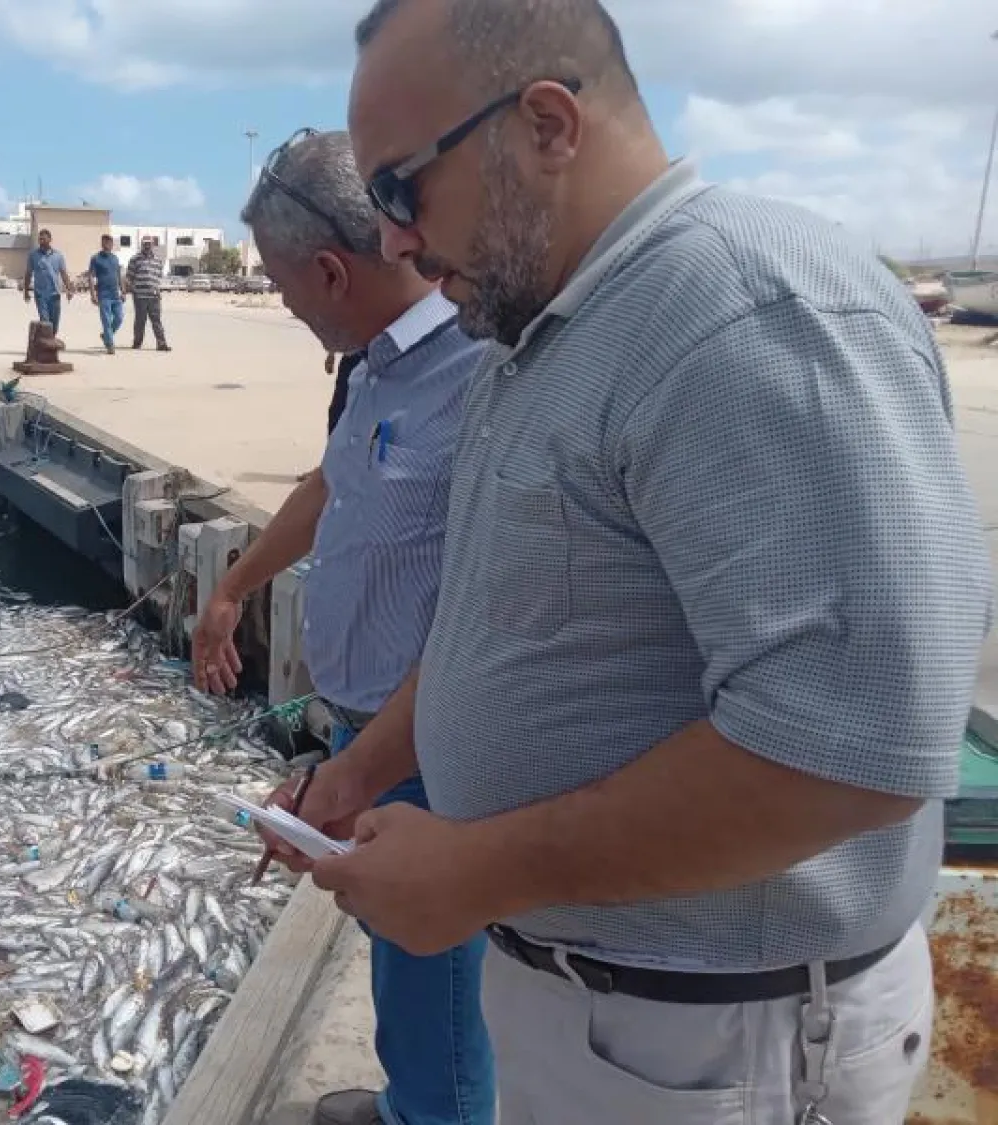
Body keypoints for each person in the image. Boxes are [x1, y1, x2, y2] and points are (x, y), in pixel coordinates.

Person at [289, 2, 995, 1124]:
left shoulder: (744, 308)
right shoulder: (544, 335)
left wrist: (478, 871)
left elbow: (856, 749)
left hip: (719, 1044)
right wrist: (365, 770)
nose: (393, 241)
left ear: (549, 125)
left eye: (399, 189)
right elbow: (502, 621)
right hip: (616, 1018)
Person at [192, 128, 495, 1125]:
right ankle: (417, 1097)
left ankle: (437, 1113)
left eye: (282, 289)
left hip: (429, 744)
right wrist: (233, 586)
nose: (282, 306)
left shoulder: (480, 374)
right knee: (398, 950)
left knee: (435, 967)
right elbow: (331, 484)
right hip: (366, 728)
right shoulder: (374, 368)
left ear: (328, 269)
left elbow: (481, 619)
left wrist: (357, 772)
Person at [124, 238, 170, 351]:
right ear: (142, 244)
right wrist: (130, 290)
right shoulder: (135, 259)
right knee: (140, 321)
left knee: (156, 320)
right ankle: (137, 343)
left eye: (149, 244)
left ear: (153, 245)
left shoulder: (158, 260)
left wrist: (158, 290)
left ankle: (161, 344)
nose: (147, 246)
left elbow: (158, 278)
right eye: (145, 244)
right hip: (140, 296)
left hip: (154, 296)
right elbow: (129, 277)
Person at [23, 229, 73, 332]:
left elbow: (63, 273)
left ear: (50, 239)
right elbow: (28, 273)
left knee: (54, 326)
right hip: (40, 295)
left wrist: (69, 289)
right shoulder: (33, 255)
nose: (41, 241)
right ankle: (46, 345)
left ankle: (50, 343)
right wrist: (26, 291)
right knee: (45, 322)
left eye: (44, 239)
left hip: (55, 295)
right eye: (40, 239)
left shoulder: (58, 256)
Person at [88, 233, 126, 354]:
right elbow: (91, 277)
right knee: (106, 320)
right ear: (102, 243)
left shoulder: (115, 258)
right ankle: (110, 344)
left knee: (119, 318)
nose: (107, 244)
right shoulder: (95, 258)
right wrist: (93, 294)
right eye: (105, 242)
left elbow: (119, 276)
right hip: (103, 295)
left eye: (109, 242)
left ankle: (105, 336)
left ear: (111, 244)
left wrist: (123, 291)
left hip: (115, 295)